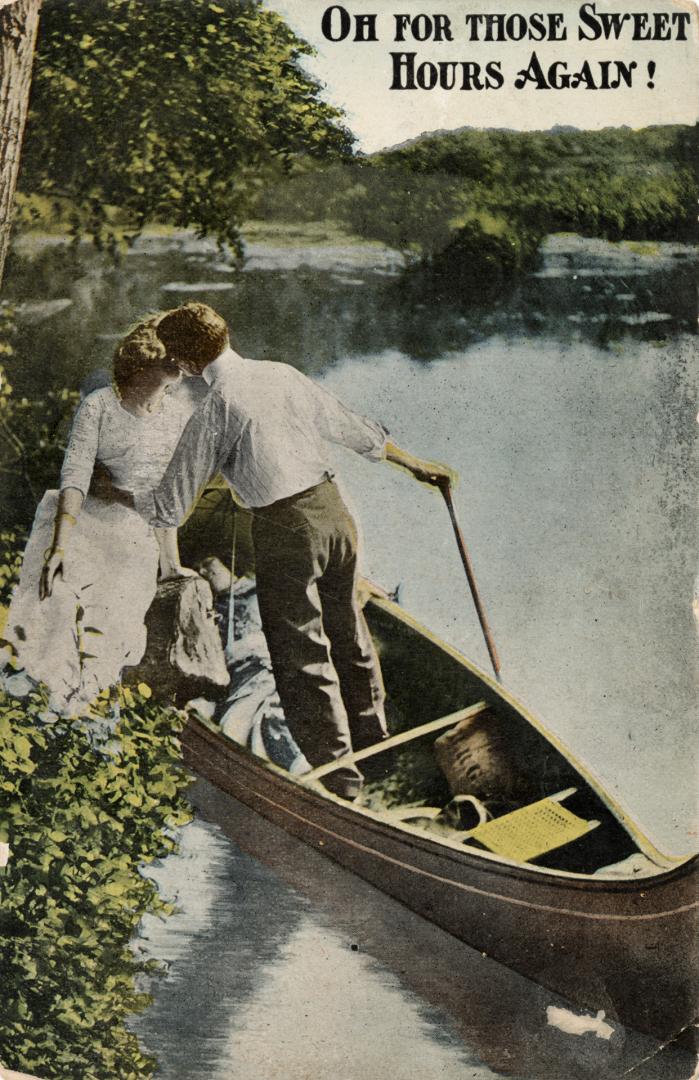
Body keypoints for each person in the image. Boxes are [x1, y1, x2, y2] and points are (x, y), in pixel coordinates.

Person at [127, 302, 456, 799]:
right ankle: (379, 748)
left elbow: (169, 504)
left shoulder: (216, 409)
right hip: (336, 514)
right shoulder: (281, 373)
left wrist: (170, 567)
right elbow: (353, 429)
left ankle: (340, 781)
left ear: (188, 364)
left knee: (302, 658)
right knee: (350, 634)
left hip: (288, 530)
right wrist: (416, 465)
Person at [2, 317, 194, 715]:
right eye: (170, 358)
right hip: (81, 523)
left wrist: (171, 563)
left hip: (132, 536)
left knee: (111, 624)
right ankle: (39, 709)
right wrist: (58, 546)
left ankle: (83, 713)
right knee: (55, 606)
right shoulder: (100, 406)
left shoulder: (176, 417)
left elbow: (168, 496)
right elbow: (74, 477)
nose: (179, 366)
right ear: (144, 361)